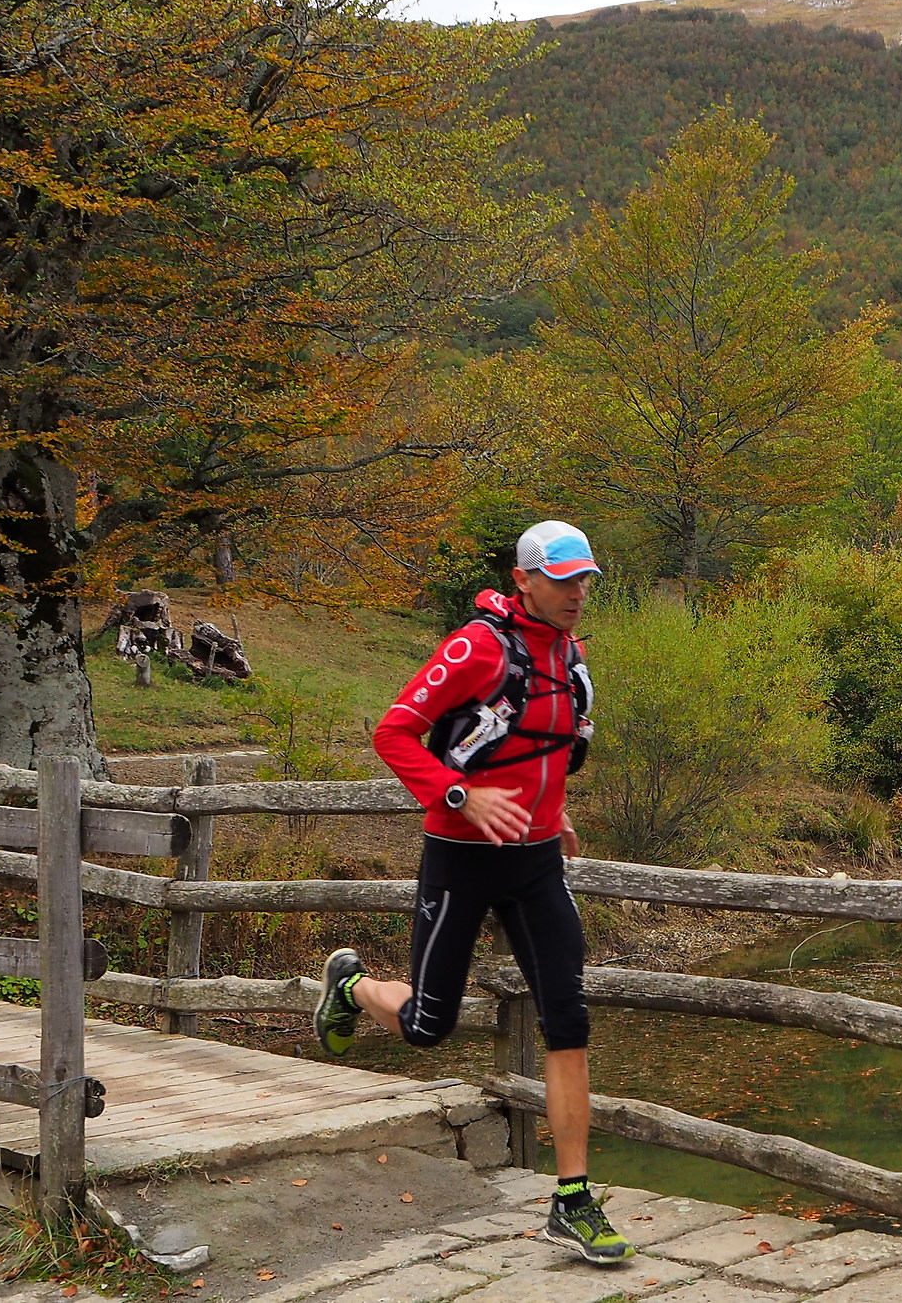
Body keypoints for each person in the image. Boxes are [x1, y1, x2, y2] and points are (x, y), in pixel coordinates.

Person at [313, 519, 633, 1265]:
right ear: (523, 579)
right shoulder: (476, 647)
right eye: (562, 580)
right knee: (430, 1024)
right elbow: (394, 734)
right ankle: (351, 985)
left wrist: (556, 815)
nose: (576, 594)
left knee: (568, 1019)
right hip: (461, 857)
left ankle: (573, 1199)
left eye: (584, 580)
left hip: (537, 862)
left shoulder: (570, 655)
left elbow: (540, 748)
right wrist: (460, 795)